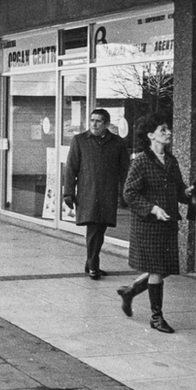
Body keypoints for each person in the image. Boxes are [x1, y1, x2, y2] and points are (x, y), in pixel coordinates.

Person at [121, 113, 193, 333]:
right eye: (163, 130)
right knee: (157, 271)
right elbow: (129, 193)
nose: (168, 132)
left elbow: (178, 190)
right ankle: (156, 317)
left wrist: (188, 192)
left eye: (168, 129)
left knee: (163, 269)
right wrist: (152, 208)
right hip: (148, 226)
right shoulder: (141, 161)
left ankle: (131, 291)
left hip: (168, 223)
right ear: (151, 135)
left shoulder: (171, 161)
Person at [64, 108, 130, 279]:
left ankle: (90, 262)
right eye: (92, 120)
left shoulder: (117, 143)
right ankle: (93, 265)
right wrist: (68, 193)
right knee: (93, 228)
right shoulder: (80, 141)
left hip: (108, 194)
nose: (94, 124)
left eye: (98, 121)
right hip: (88, 193)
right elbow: (71, 168)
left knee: (100, 229)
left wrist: (126, 193)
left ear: (106, 124)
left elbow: (125, 171)